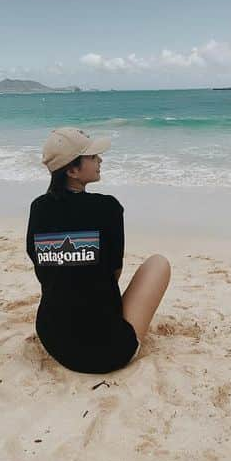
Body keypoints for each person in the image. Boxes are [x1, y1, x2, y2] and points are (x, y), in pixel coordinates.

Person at [26, 127, 171, 374]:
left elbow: (42, 268)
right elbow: (114, 272)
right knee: (159, 263)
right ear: (72, 170)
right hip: (106, 351)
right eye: (92, 157)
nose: (100, 160)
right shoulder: (107, 208)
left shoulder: (38, 208)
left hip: (53, 336)